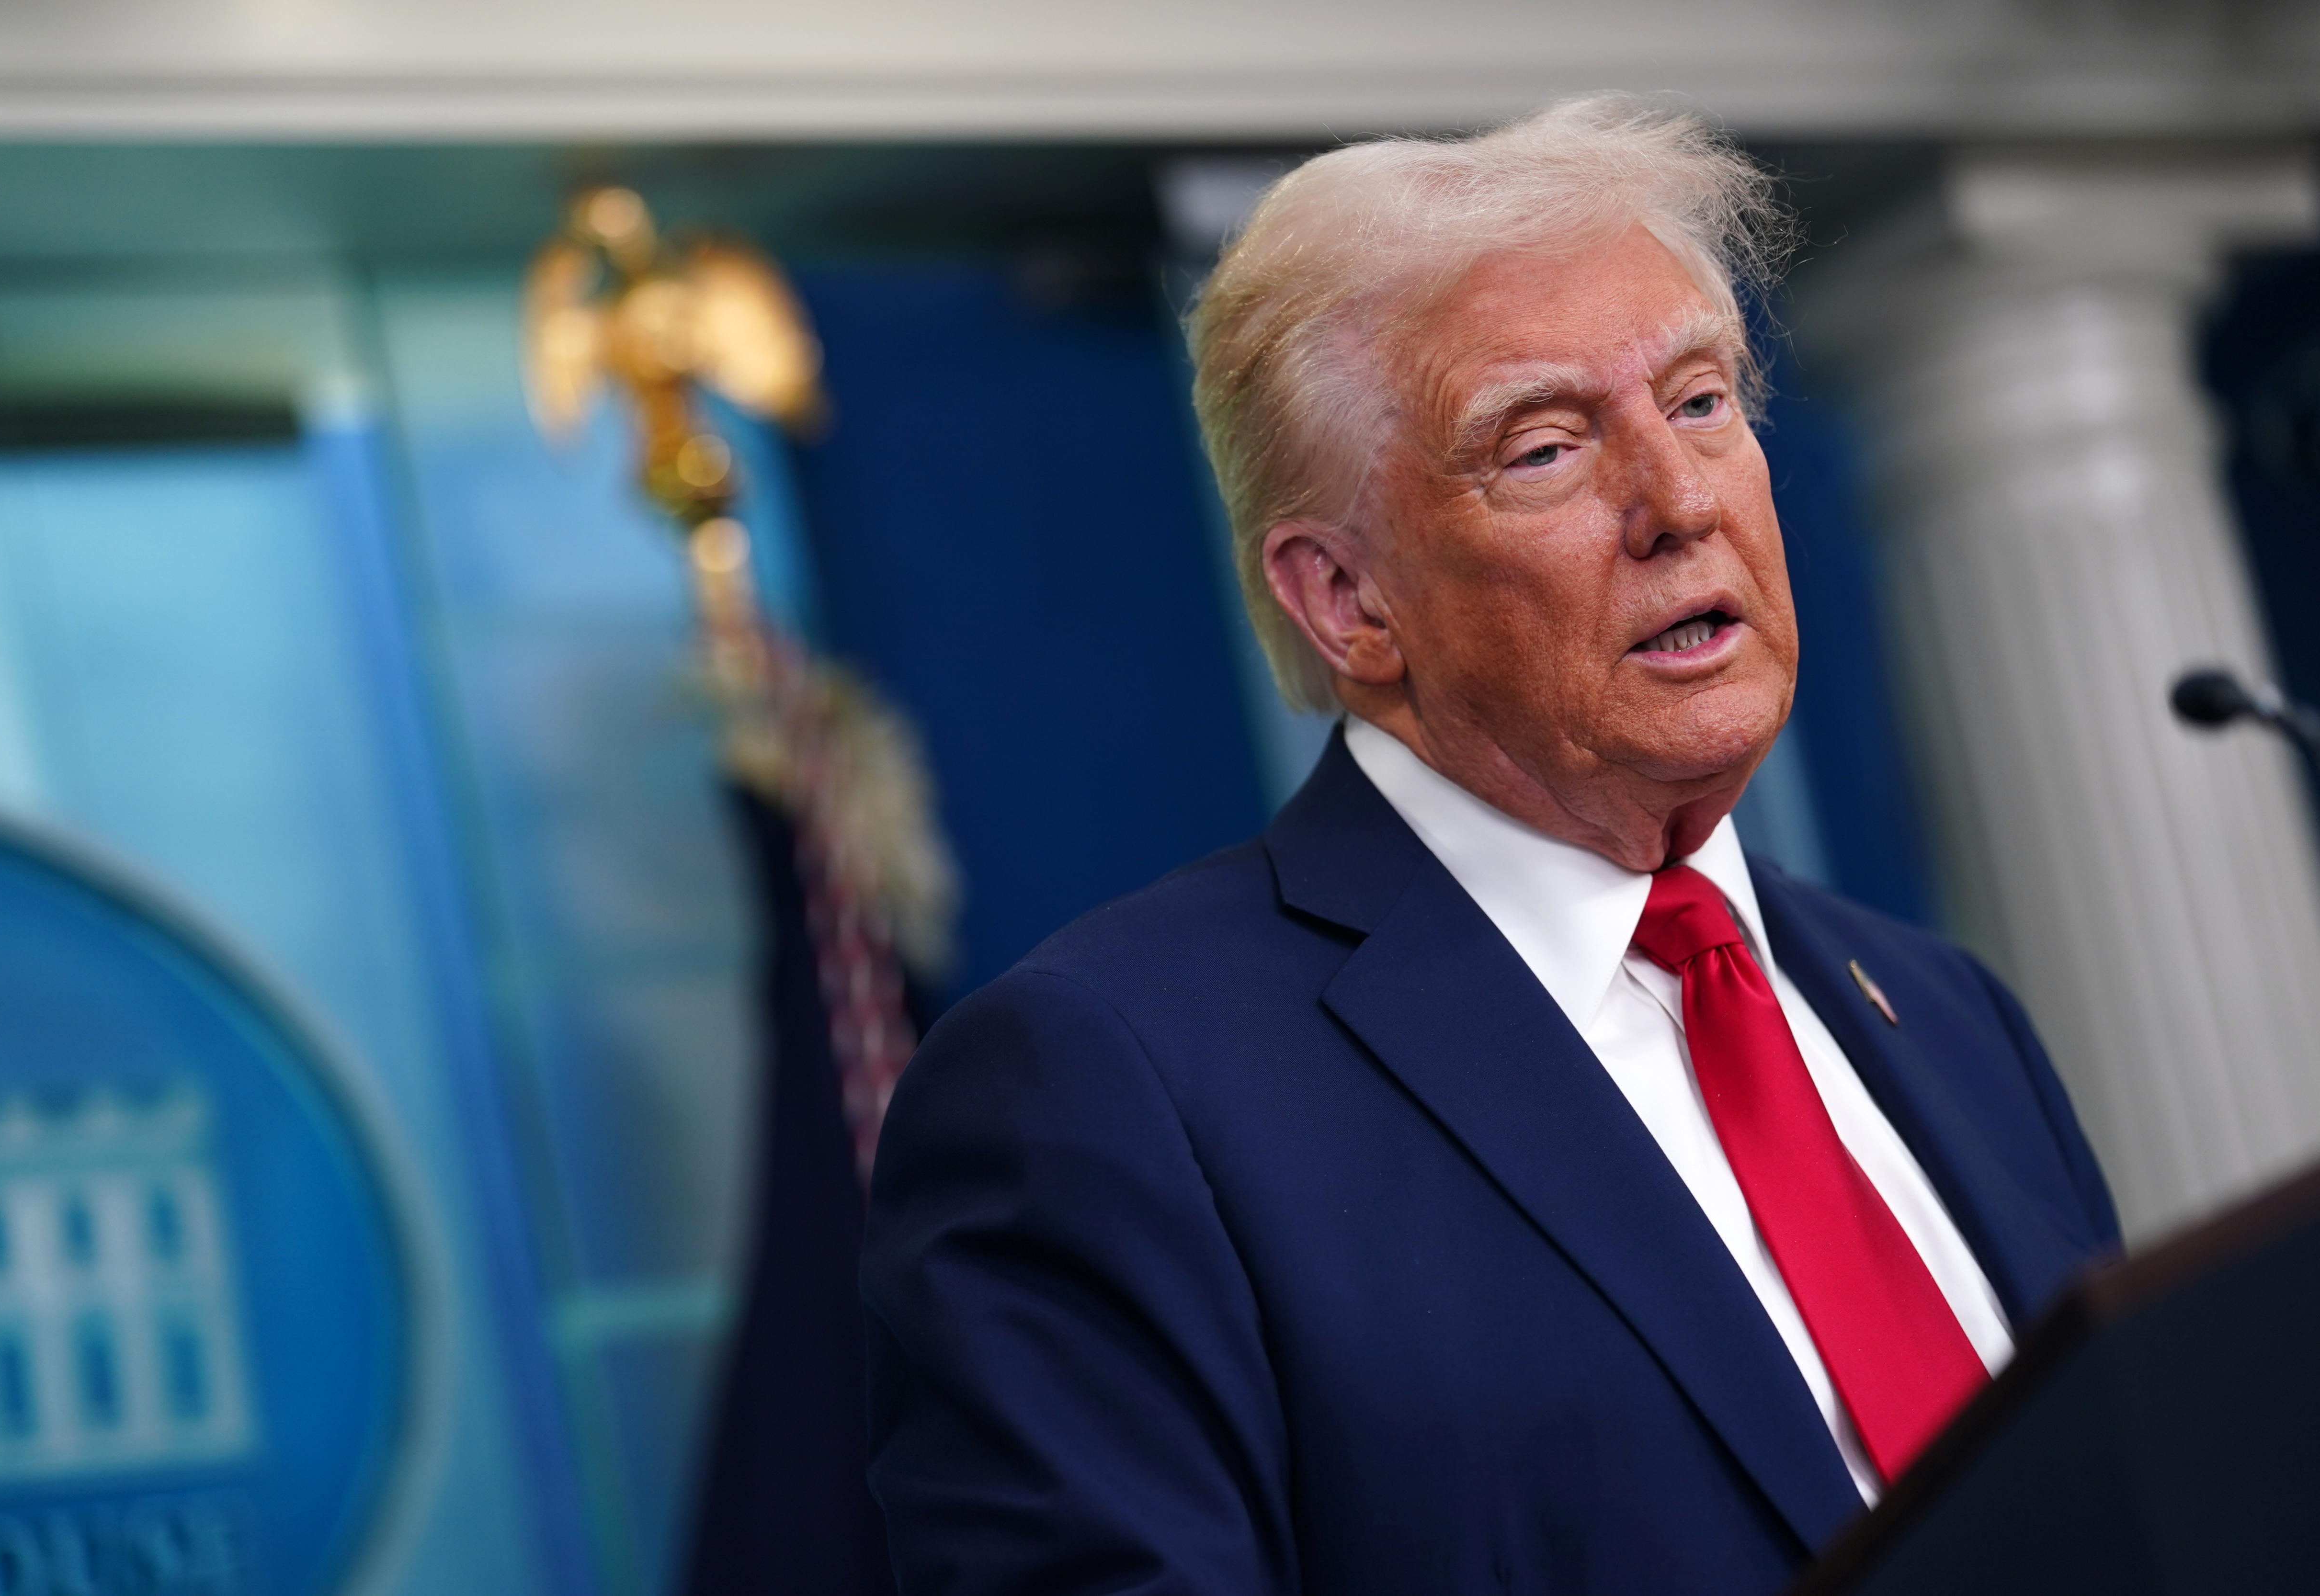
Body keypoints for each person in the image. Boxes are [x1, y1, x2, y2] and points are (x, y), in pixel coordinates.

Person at [861, 96, 2119, 1596]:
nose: (1679, 502)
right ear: (1348, 602)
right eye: (1542, 448)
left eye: (1704, 401)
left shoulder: (1951, 1016)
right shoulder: (1111, 1089)